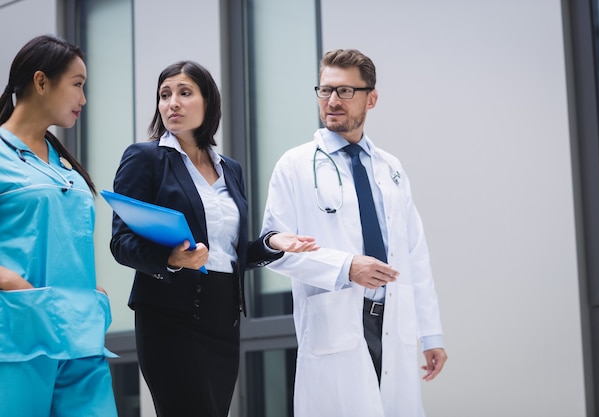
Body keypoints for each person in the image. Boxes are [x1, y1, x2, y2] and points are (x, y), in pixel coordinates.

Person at [109, 60, 318, 417]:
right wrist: (172, 259)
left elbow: (227, 253)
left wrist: (270, 244)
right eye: (164, 94)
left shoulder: (230, 169)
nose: (172, 102)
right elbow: (121, 242)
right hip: (168, 316)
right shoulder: (145, 159)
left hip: (222, 318)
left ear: (208, 103)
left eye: (184, 93)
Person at [261, 48, 447, 417]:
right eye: (325, 90)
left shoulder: (390, 168)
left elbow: (414, 254)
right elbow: (276, 249)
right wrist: (346, 266)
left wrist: (431, 334)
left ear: (371, 98)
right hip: (337, 318)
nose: (332, 101)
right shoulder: (295, 165)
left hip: (392, 317)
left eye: (345, 91)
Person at [0, 35, 118, 416]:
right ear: (40, 82)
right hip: (20, 335)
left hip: (80, 333)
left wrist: (91, 291)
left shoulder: (63, 163)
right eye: (78, 85)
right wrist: (12, 282)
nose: (83, 99)